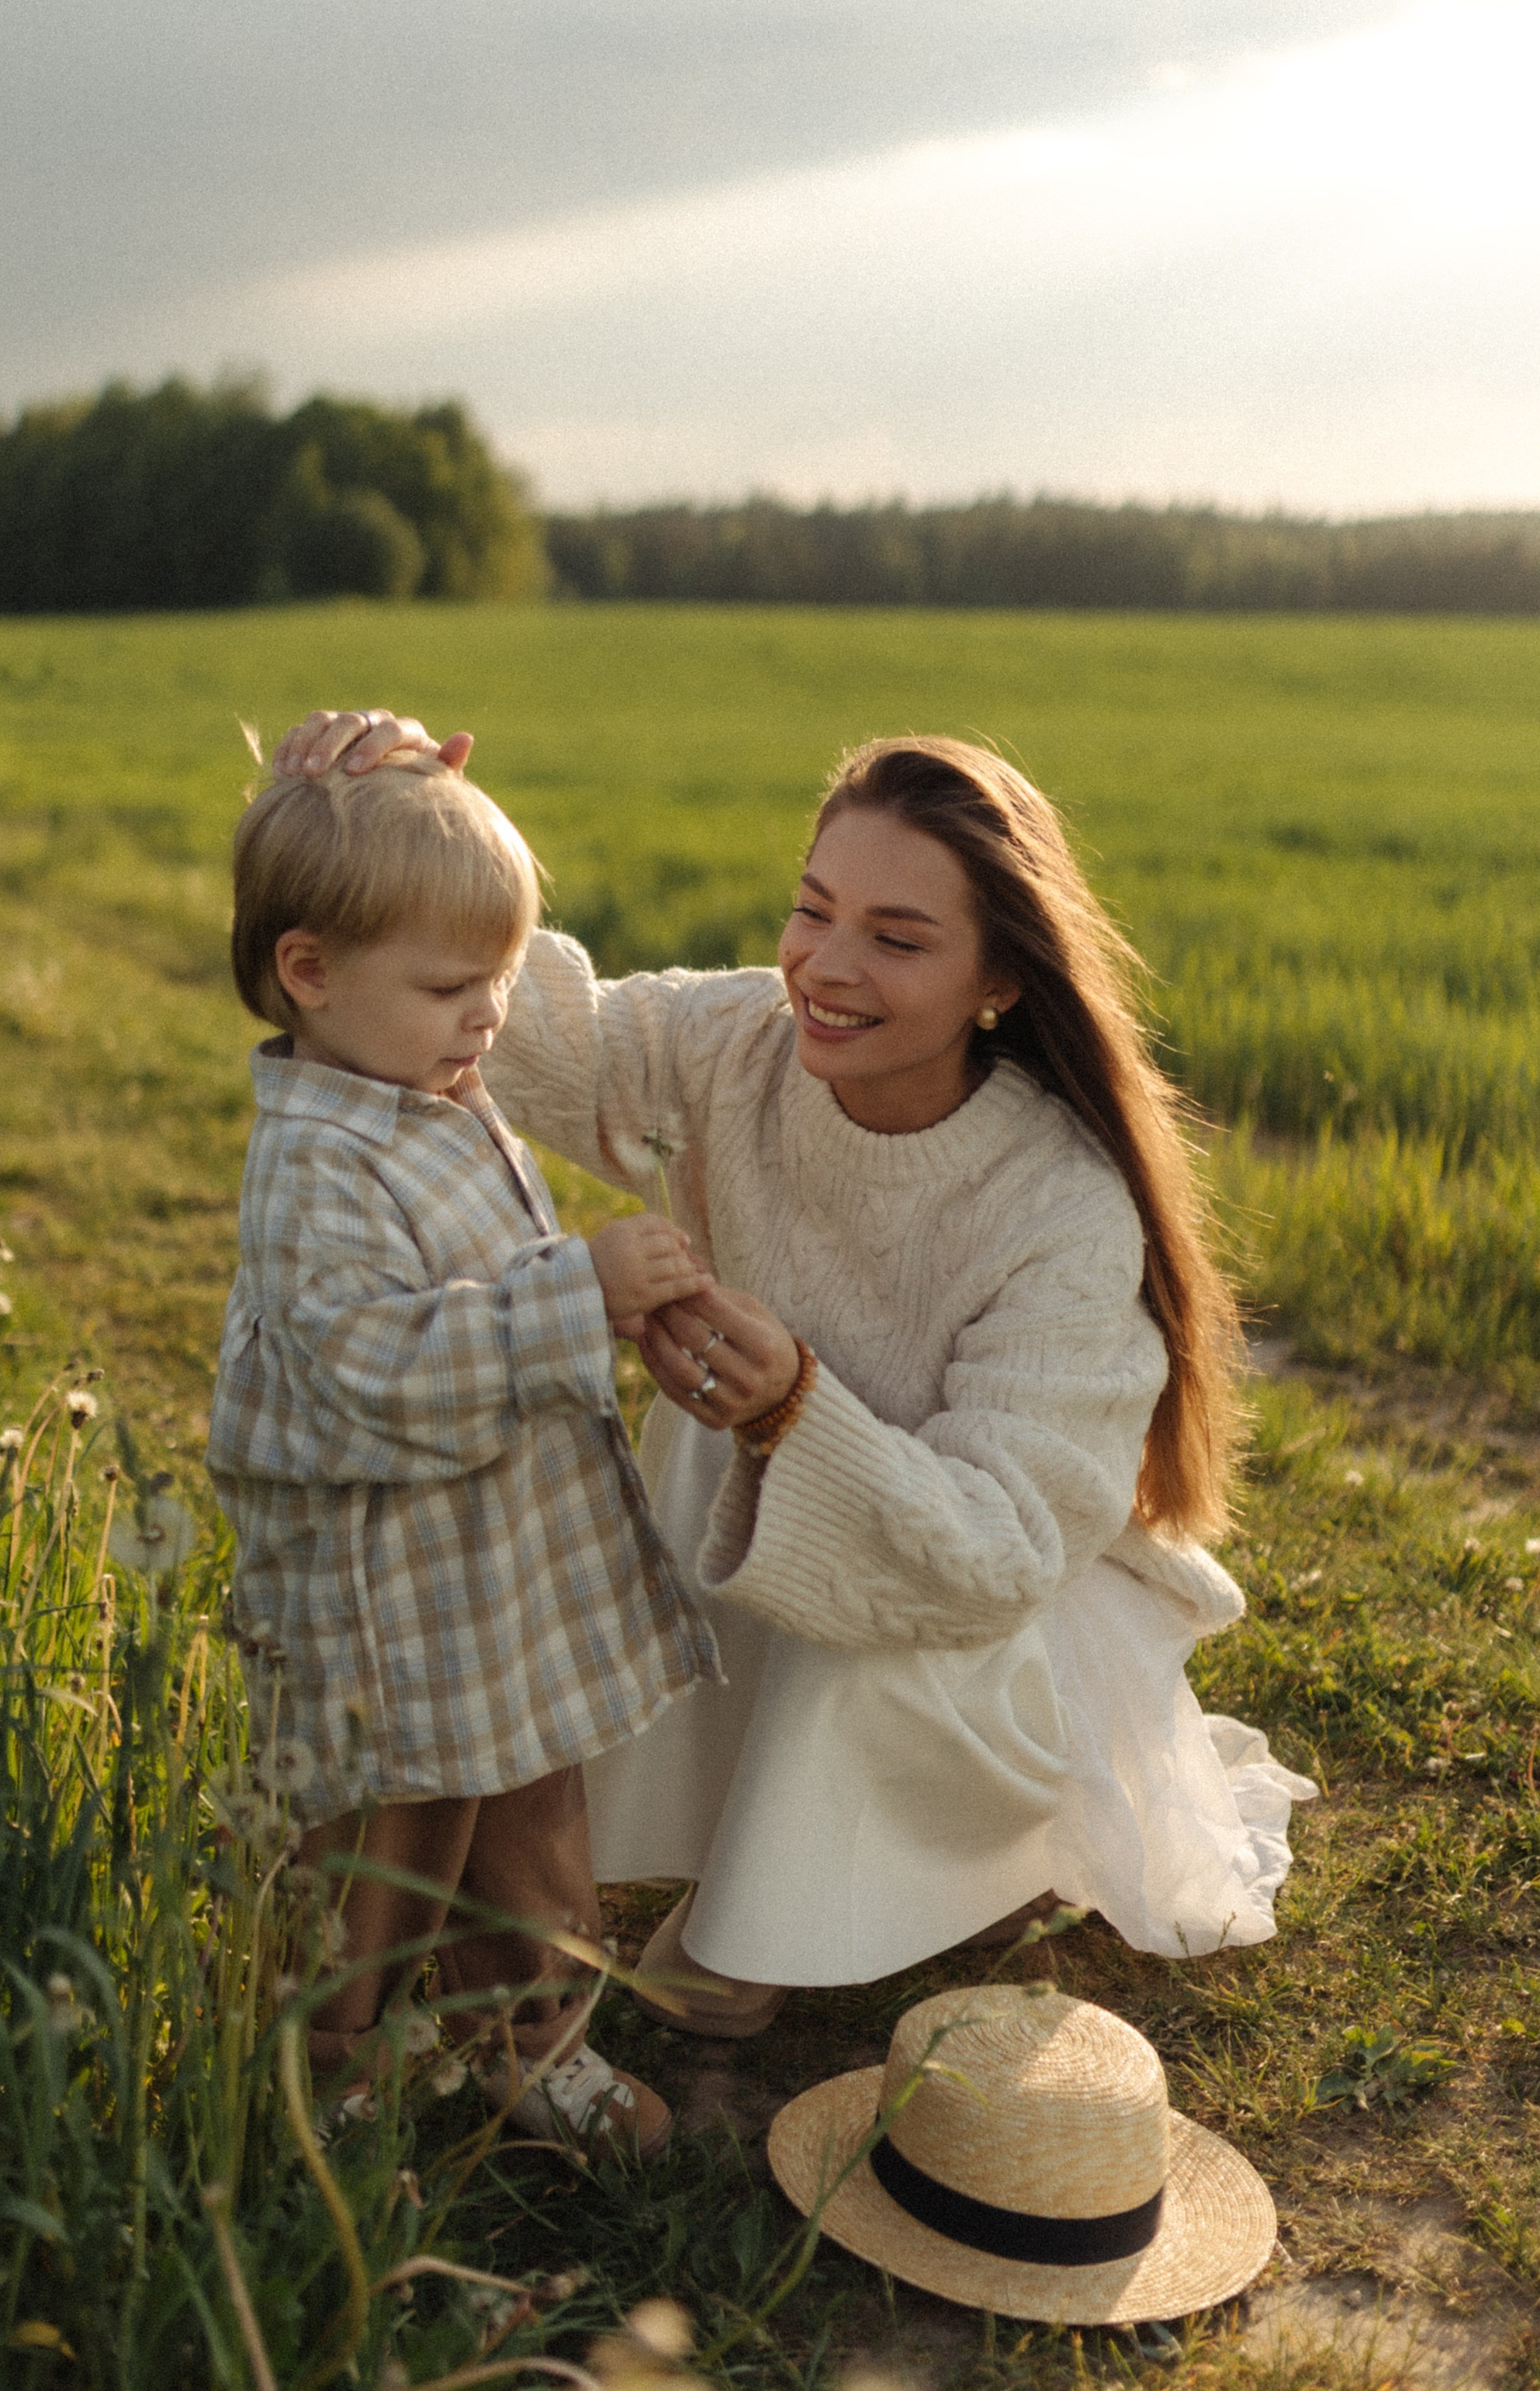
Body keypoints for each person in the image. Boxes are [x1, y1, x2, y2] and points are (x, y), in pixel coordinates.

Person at [273, 709, 1314, 2036]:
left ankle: (836, 1900)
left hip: (985, 1616)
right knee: (691, 1456)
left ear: (999, 980)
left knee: (800, 1475)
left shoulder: (1059, 1205)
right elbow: (541, 1036)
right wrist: (407, 804)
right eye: (813, 909)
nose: (823, 965)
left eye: (897, 938)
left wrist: (794, 1409)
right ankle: (743, 1852)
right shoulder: (741, 1045)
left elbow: (993, 1551)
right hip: (829, 1515)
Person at [207, 756, 718, 2152]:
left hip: (493, 1576)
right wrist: (576, 1296)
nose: (489, 1013)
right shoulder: (317, 1162)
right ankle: (338, 2081)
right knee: (385, 1847)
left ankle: (533, 2041)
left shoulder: (425, 1079)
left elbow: (470, 1282)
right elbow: (374, 1368)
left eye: (493, 979)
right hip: (389, 1610)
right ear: (309, 970)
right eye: (452, 987)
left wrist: (602, 1301)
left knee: (537, 1818)